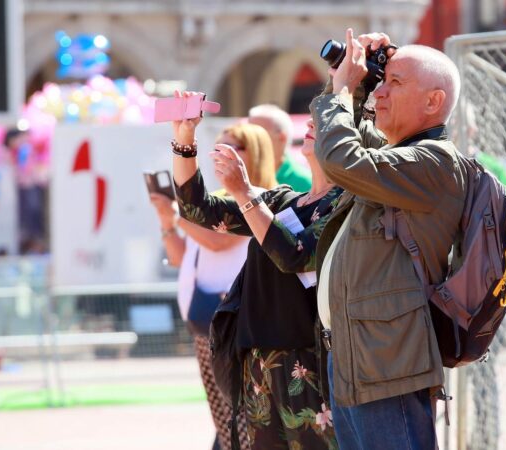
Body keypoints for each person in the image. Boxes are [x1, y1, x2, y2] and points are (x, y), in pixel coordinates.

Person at [310, 28, 468, 449]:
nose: (382, 93)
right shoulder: (401, 157)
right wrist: (359, 85)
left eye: (395, 84)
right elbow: (356, 141)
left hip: (387, 363)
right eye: (384, 82)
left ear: (434, 101)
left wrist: (340, 93)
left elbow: (342, 159)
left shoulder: (434, 162)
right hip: (357, 356)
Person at [170, 91, 340, 450]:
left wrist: (245, 192)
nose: (309, 125)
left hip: (308, 364)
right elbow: (196, 210)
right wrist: (185, 141)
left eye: (321, 123)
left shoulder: (344, 207)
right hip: (257, 363)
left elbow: (295, 254)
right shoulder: (281, 200)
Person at [150, 122, 279, 450]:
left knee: (246, 420)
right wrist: (167, 223)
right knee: (224, 421)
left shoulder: (261, 200)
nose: (222, 152)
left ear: (256, 153)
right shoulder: (210, 204)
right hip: (205, 326)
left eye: (233, 146)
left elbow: (216, 243)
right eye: (218, 145)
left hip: (236, 327)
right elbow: (182, 257)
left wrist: (178, 214)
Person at [248, 104, 312, 192]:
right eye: (247, 134)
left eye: (258, 134)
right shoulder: (244, 174)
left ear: (282, 137)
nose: (249, 140)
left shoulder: (305, 182)